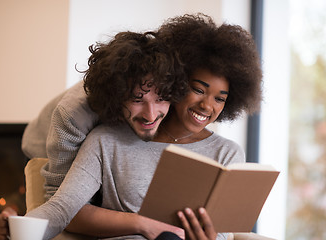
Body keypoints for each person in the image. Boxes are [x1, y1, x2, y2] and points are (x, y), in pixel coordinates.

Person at [23, 13, 262, 240]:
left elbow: (222, 233)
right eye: (198, 90)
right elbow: (62, 207)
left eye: (220, 98)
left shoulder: (228, 153)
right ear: (177, 83)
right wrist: (16, 228)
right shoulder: (106, 140)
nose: (207, 105)